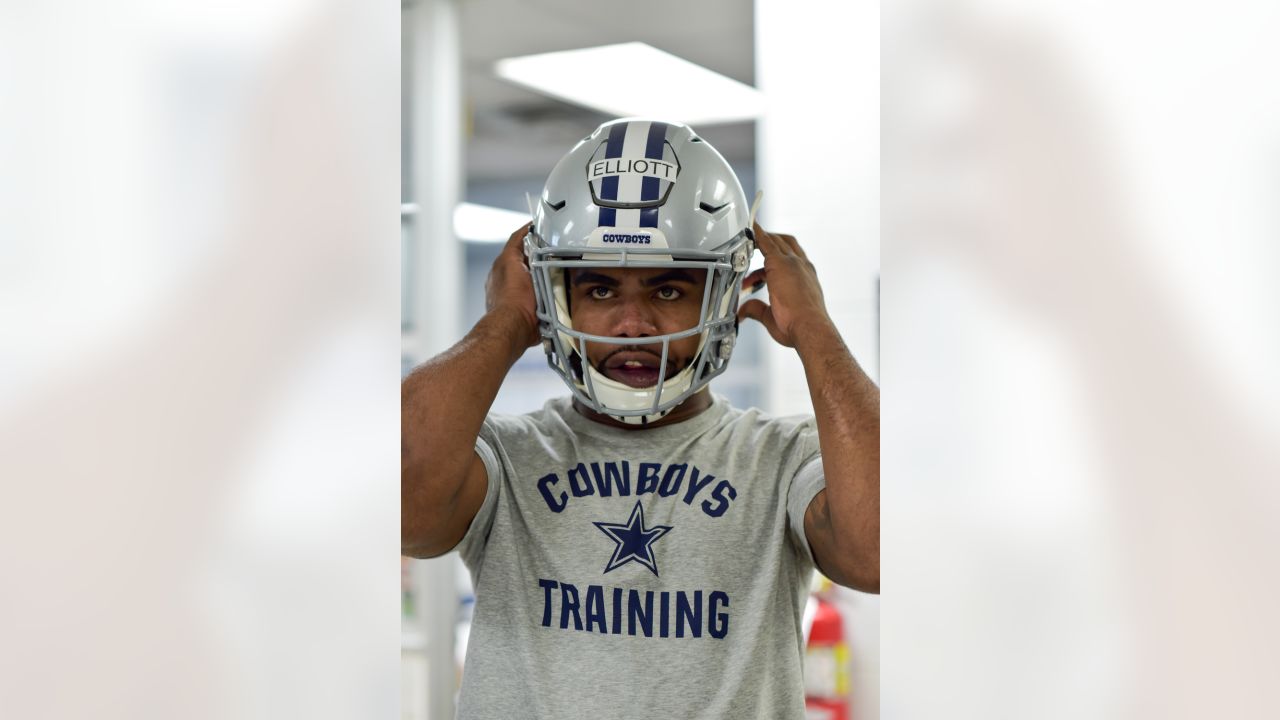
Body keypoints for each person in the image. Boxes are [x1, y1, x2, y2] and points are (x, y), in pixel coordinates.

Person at [402, 118, 879, 719]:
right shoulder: (503, 454)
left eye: (669, 290)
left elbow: (881, 553)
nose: (633, 325)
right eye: (599, 291)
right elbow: (398, 507)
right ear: (552, 296)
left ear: (724, 298)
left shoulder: (783, 459)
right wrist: (504, 323)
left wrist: (816, 331)